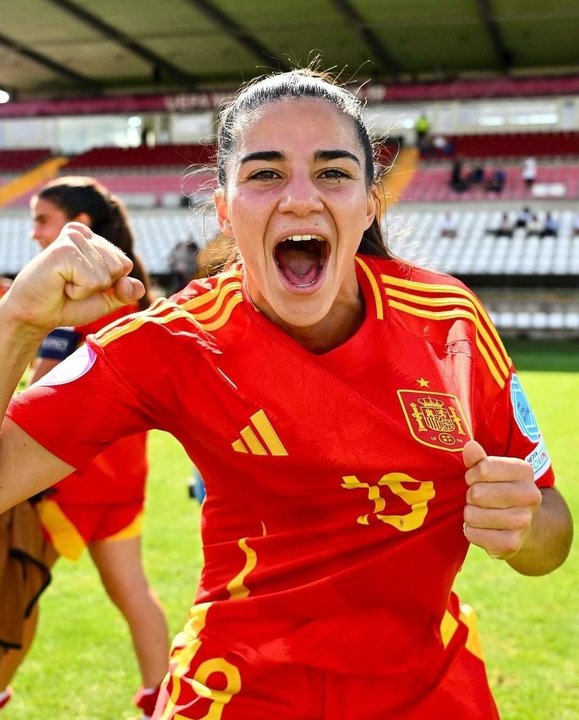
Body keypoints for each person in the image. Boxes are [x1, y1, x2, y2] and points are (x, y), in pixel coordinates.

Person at [0, 69, 573, 720]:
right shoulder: (177, 339)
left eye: (332, 172)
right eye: (265, 174)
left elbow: (551, 533)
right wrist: (17, 320)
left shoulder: (448, 322)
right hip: (236, 693)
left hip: (431, 694)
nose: (300, 198)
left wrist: (522, 527)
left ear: (368, 205)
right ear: (223, 209)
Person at [0, 177, 170, 719]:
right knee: (135, 596)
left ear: (80, 228)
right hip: (121, 483)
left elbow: (41, 386)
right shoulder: (135, 301)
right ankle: (161, 702)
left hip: (56, 481)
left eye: (42, 220)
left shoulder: (71, 301)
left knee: (16, 591)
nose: (33, 234)